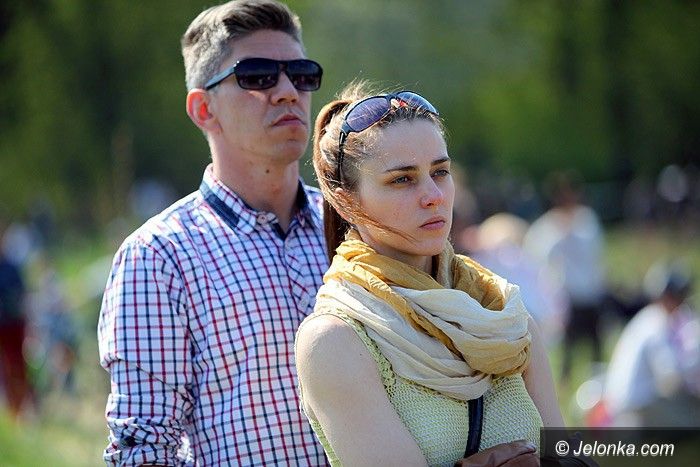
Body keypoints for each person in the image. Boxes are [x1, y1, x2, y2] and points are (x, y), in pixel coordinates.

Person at [97, 1, 328, 465]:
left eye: (302, 75)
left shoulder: (356, 226)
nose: (288, 92)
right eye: (258, 76)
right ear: (203, 108)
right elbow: (145, 451)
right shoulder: (158, 257)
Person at [295, 82, 566, 466]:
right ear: (347, 201)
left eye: (440, 172)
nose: (434, 196)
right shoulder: (336, 339)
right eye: (402, 179)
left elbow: (566, 455)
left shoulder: (502, 310)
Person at [523, 171, 607, 383]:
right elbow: (538, 256)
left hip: (590, 291)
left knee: (596, 343)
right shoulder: (547, 226)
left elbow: (595, 251)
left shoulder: (587, 220)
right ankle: (564, 382)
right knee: (567, 349)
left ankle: (598, 380)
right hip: (566, 295)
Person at [603, 261, 700, 427]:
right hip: (636, 407)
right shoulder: (657, 324)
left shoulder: (649, 318)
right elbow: (670, 378)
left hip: (626, 403)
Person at [0, 220, 32, 421]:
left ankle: (20, 408)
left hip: (14, 325)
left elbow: (22, 294)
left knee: (17, 366)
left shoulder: (12, 267)